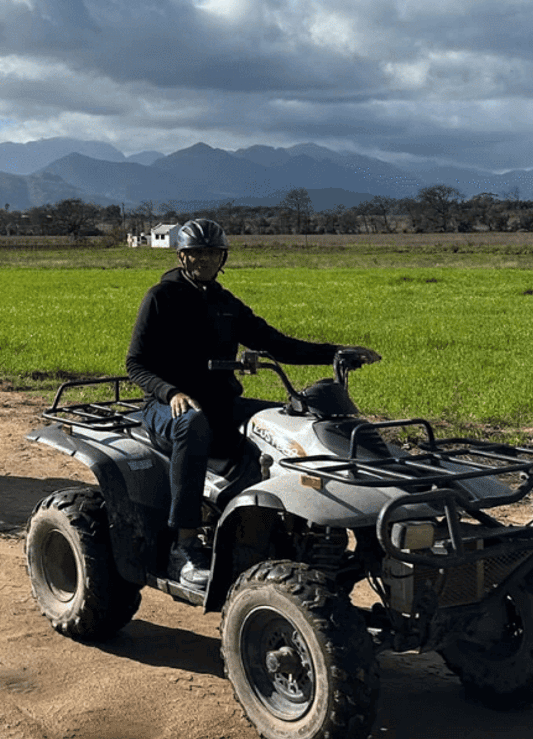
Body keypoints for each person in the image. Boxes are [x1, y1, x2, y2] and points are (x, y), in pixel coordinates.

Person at [125, 219, 379, 590]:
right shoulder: (161, 297)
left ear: (223, 257)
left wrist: (336, 353)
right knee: (193, 424)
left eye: (213, 253)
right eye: (197, 253)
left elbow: (278, 344)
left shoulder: (225, 303)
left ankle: (331, 524)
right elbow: (136, 364)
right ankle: (184, 544)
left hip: (222, 402)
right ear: (183, 256)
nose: (206, 260)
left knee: (293, 420)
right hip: (168, 405)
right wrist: (170, 393)